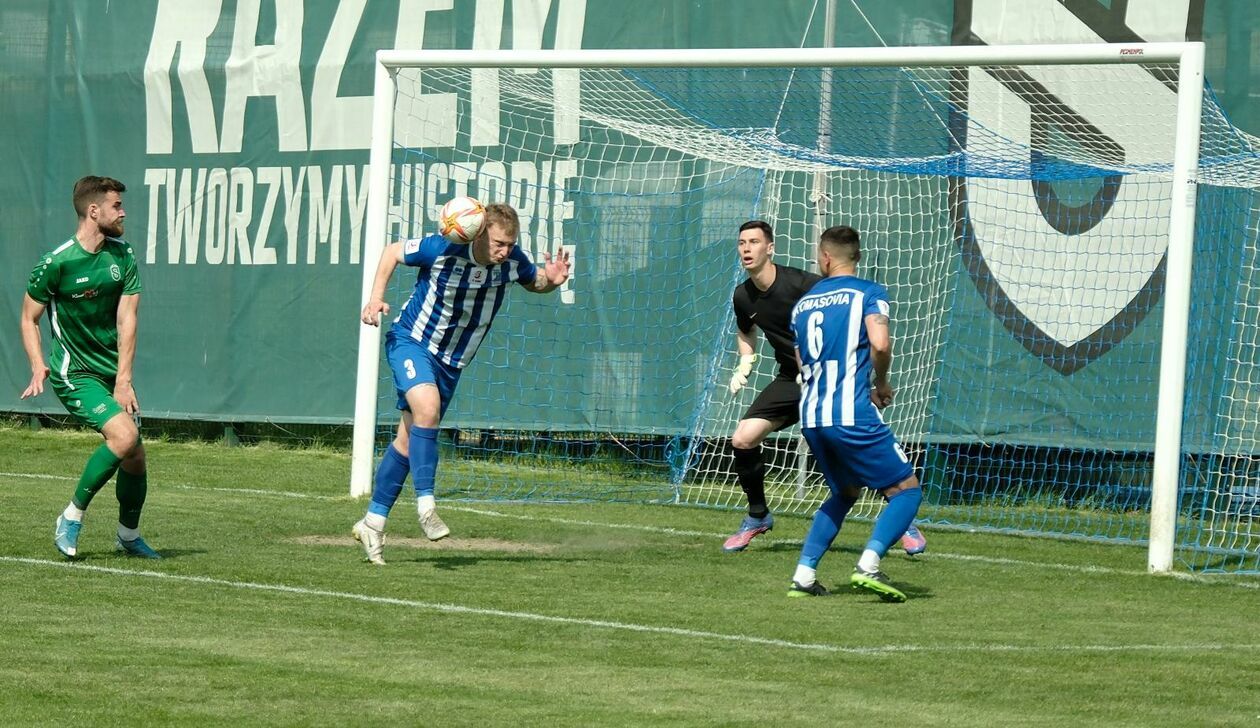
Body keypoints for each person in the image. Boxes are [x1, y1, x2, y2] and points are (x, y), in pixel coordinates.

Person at [352, 202, 571, 565]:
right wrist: (375, 298)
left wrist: (553, 280)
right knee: (428, 410)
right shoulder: (442, 248)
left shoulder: (513, 261)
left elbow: (536, 282)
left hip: (452, 363)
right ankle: (426, 507)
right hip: (411, 340)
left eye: (510, 244)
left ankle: (373, 522)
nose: (505, 251)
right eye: (499, 243)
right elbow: (392, 252)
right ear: (478, 232)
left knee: (408, 440)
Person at [723, 220, 927, 556]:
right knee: (743, 438)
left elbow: (846, 321)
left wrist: (864, 380)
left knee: (855, 444)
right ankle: (758, 516)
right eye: (742, 242)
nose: (746, 248)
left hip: (830, 379)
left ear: (770, 248)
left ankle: (903, 520)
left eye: (754, 242)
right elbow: (746, 332)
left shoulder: (803, 284)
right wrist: (745, 361)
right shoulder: (742, 295)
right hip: (792, 379)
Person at [20, 176, 160, 560]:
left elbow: (127, 319)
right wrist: (37, 364)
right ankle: (71, 516)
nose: (123, 211)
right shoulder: (57, 263)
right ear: (93, 211)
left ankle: (128, 536)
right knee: (123, 437)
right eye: (116, 205)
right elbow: (28, 318)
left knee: (134, 455)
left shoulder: (123, 255)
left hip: (112, 374)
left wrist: (124, 380)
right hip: (74, 373)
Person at [786, 225, 922, 602]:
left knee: (845, 492)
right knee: (906, 491)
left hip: (812, 416)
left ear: (825, 257)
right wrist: (881, 382)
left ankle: (803, 574)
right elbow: (880, 343)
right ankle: (868, 565)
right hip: (851, 413)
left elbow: (801, 361)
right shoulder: (868, 293)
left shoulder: (802, 305)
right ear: (856, 257)